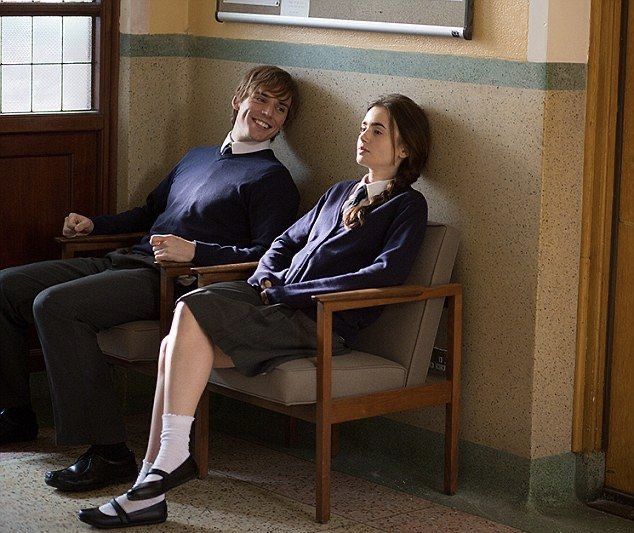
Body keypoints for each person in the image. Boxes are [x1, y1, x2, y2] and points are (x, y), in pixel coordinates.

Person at [78, 93, 431, 528]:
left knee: (183, 326)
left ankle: (159, 471)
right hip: (273, 297)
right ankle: (153, 479)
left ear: (404, 148)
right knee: (175, 338)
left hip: (317, 318)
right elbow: (282, 242)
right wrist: (266, 278)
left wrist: (292, 293)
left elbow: (384, 273)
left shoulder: (407, 206)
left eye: (377, 130)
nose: (363, 136)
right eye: (363, 126)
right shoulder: (340, 192)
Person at [0, 65, 300, 492]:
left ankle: (109, 453)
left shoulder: (273, 180)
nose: (269, 113)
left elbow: (269, 256)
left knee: (54, 305)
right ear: (238, 99)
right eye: (263, 99)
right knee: (6, 286)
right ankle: (15, 413)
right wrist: (95, 225)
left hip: (170, 281)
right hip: (125, 259)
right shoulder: (196, 157)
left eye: (281, 108)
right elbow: (148, 213)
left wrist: (195, 252)